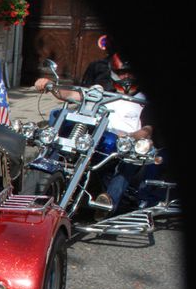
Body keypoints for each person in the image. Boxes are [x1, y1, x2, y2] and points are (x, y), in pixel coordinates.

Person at [35, 50, 159, 215]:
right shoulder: (102, 92)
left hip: (124, 144)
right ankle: (38, 185)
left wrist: (129, 137)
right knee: (57, 138)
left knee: (131, 161)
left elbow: (147, 130)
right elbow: (73, 94)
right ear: (114, 73)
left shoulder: (143, 99)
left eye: (130, 72)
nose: (126, 76)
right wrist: (49, 86)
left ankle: (108, 200)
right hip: (95, 139)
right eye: (122, 73)